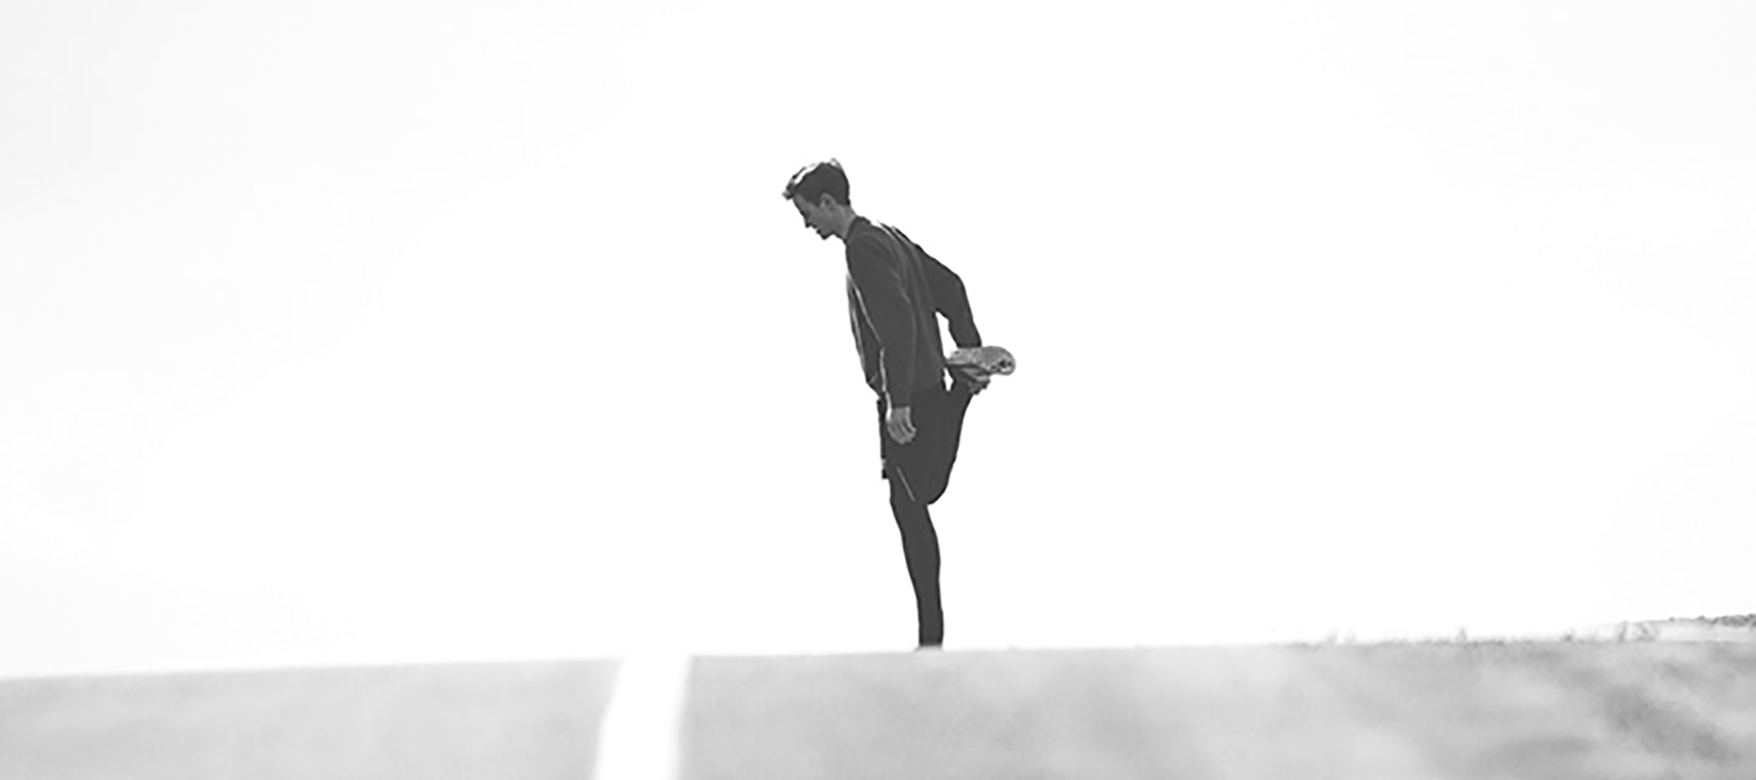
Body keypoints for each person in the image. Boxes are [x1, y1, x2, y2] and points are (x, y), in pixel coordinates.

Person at [782, 159, 1003, 649]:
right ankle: (961, 387)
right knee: (919, 495)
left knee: (912, 504)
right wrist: (968, 346)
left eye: (807, 214)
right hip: (924, 384)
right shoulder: (889, 236)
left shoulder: (863, 247)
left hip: (909, 392)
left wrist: (897, 401)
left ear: (827, 202)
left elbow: (897, 326)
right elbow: (951, 285)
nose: (807, 225)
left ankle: (930, 641)